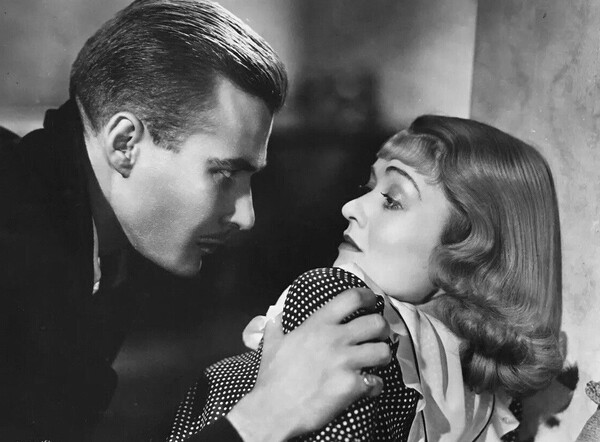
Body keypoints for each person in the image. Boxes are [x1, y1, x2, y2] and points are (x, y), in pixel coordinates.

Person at [0, 1, 391, 440]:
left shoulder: (98, 238)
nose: (247, 217)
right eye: (224, 174)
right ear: (125, 144)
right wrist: (265, 417)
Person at [171, 115, 565, 441]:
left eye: (393, 200)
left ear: (470, 254)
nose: (350, 207)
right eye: (369, 187)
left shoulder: (336, 299)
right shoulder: (491, 402)